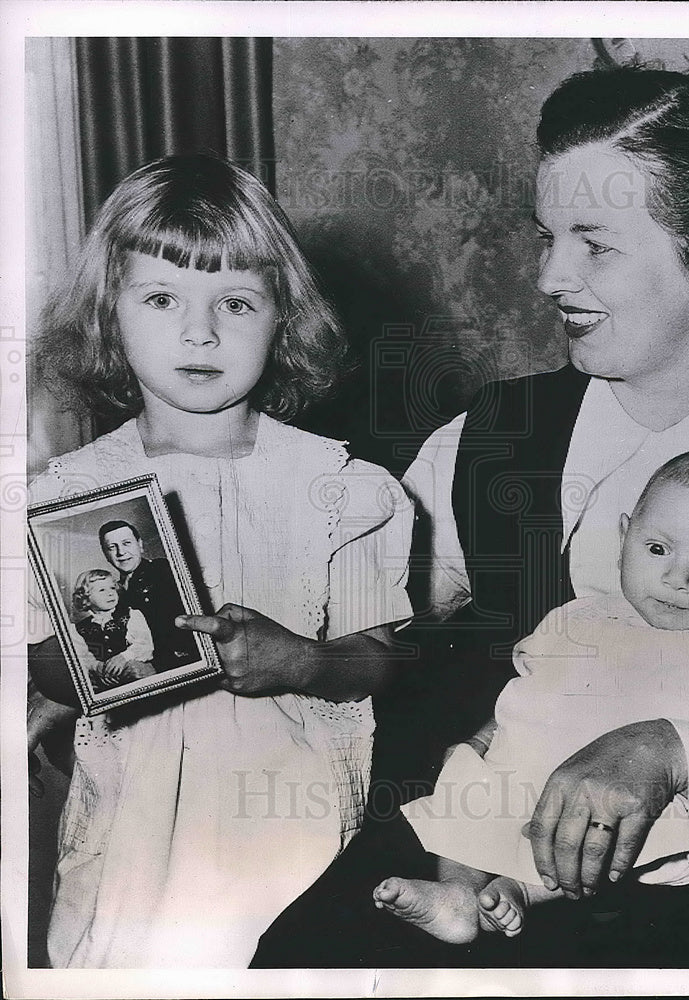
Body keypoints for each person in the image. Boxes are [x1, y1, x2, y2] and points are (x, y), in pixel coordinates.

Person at [253, 68, 689, 969]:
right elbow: (354, 619)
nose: (548, 276)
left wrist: (674, 748)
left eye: (594, 243)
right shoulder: (492, 435)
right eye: (546, 238)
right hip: (463, 861)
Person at [26, 152, 413, 968]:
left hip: (292, 836)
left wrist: (303, 660)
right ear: (109, 313)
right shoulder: (70, 492)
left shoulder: (340, 488)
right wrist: (94, 648)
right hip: (135, 844)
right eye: (162, 297)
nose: (199, 332)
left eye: (235, 302)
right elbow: (50, 673)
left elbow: (378, 662)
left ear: (283, 318)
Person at [373, 448, 689, 943]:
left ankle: (526, 892)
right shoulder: (577, 619)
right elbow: (524, 693)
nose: (678, 580)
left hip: (642, 811)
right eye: (658, 550)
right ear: (624, 537)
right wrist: (484, 741)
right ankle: (457, 894)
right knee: (471, 783)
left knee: (649, 823)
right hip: (526, 779)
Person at [97, 519, 198, 670]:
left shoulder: (163, 570)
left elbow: (186, 631)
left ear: (140, 545)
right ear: (106, 554)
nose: (121, 552)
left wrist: (156, 668)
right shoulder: (113, 591)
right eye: (112, 547)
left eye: (126, 543)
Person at [71, 567, 155, 690]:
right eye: (102, 590)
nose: (110, 593)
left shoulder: (131, 615)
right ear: (86, 599)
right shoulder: (78, 629)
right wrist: (97, 668)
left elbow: (145, 645)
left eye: (112, 588)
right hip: (104, 686)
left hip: (134, 677)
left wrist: (124, 657)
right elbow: (82, 657)